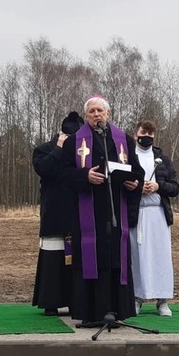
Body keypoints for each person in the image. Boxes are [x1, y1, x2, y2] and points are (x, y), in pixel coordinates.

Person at [59, 96, 143, 323]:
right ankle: (90, 313)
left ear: (108, 114)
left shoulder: (123, 139)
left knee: (116, 258)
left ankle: (117, 311)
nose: (97, 115)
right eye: (92, 111)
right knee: (91, 258)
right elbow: (63, 173)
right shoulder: (74, 141)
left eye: (100, 111)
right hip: (88, 211)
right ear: (86, 116)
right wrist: (84, 176)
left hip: (116, 210)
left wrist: (134, 183)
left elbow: (137, 171)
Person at [31, 111, 83, 316]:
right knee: (53, 259)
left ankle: (74, 300)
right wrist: (59, 149)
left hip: (76, 213)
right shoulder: (44, 150)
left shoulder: (81, 153)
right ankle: (50, 301)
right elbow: (44, 169)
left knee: (74, 259)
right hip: (54, 212)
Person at [128, 120, 179, 316]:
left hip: (158, 213)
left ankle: (162, 299)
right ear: (136, 134)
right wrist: (135, 188)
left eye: (150, 133)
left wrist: (158, 186)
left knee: (161, 256)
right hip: (137, 213)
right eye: (143, 132)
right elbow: (120, 181)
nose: (147, 136)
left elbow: (175, 187)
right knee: (137, 256)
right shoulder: (128, 157)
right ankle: (137, 297)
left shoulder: (163, 159)